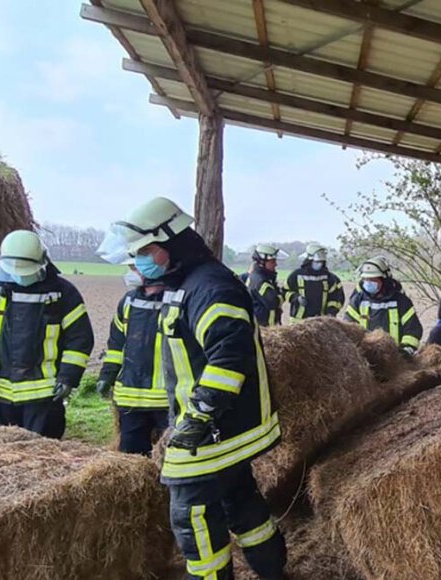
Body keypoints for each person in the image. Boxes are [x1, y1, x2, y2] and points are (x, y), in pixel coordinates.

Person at [103, 196, 286, 580]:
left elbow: (228, 358)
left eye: (146, 252)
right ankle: (272, 569)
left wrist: (198, 416)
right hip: (222, 425)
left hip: (212, 427)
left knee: (192, 514)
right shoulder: (186, 282)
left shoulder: (209, 287)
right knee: (239, 497)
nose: (140, 263)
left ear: (170, 244)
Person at [0, 230, 94, 439]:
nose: (21, 276)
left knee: (44, 457)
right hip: (1, 393)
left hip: (45, 396)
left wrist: (68, 377)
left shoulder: (63, 294)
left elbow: (79, 339)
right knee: (7, 457)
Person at [94, 262, 169, 456]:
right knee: (132, 459)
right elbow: (116, 346)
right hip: (130, 398)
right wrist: (107, 375)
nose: (131, 273)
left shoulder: (180, 300)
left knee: (171, 459)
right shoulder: (128, 302)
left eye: (134, 268)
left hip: (167, 401)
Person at [344, 256, 423, 356]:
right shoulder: (357, 301)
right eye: (366, 279)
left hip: (395, 357)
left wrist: (405, 351)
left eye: (373, 279)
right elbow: (348, 327)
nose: (368, 283)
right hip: (365, 356)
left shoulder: (401, 302)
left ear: (384, 279)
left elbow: (413, 329)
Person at [285, 243, 345, 321]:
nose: (319, 264)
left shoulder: (330, 278)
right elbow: (285, 291)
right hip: (298, 322)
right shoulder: (296, 275)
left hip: (321, 322)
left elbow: (337, 297)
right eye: (316, 262)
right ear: (309, 260)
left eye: (321, 262)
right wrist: (296, 298)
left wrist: (330, 312)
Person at [247, 244, 286, 327]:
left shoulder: (263, 277)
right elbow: (273, 302)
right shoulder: (261, 281)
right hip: (264, 328)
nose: (275, 264)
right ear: (262, 262)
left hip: (265, 327)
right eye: (272, 261)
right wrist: (283, 293)